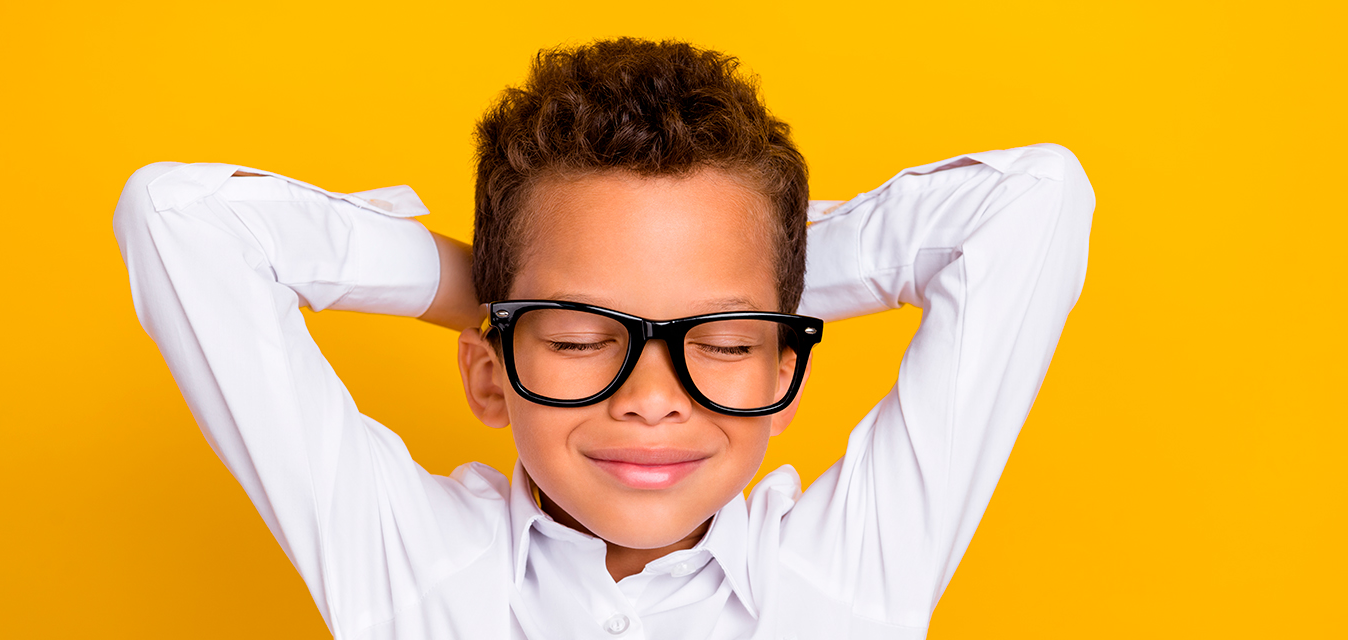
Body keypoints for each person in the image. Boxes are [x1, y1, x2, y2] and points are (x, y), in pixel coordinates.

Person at [113, 38, 1094, 639]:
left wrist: (747, 279)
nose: (651, 397)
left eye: (720, 341)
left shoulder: (854, 570)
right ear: (488, 372)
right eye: (580, 336)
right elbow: (180, 221)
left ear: (785, 372)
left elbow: (1032, 202)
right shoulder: (408, 570)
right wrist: (496, 293)